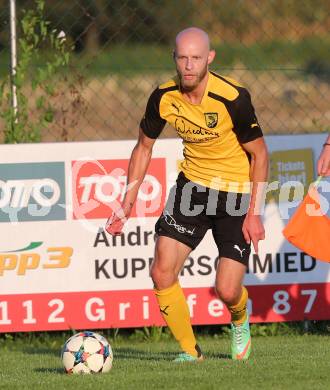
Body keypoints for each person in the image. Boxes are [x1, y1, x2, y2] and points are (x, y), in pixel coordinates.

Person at [106, 27, 269, 361]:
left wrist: (254, 212)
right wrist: (126, 204)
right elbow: (143, 148)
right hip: (192, 189)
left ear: (210, 58)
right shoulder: (163, 97)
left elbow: (261, 154)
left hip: (235, 194)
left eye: (196, 57)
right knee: (161, 271)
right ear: (174, 59)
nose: (189, 65)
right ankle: (190, 352)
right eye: (183, 57)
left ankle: (239, 320)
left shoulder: (233, 98)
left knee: (226, 289)